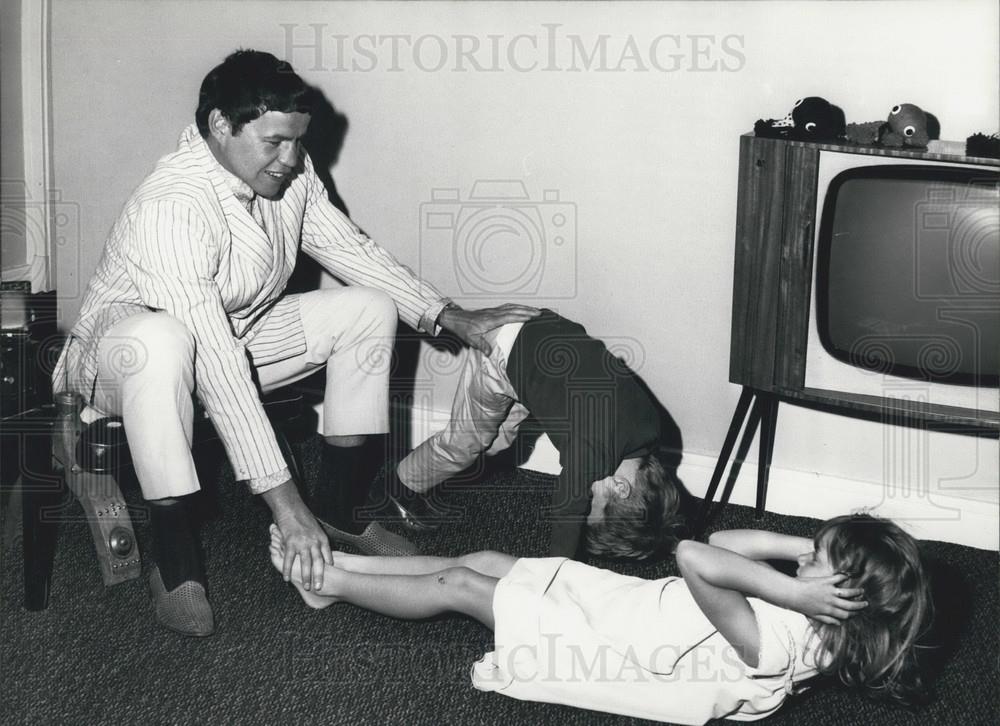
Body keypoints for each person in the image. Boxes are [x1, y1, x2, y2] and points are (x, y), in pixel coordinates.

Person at [51, 49, 537, 636]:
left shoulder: (289, 170)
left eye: (298, 142)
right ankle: (174, 557)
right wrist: (285, 505)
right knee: (163, 341)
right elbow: (219, 369)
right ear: (220, 126)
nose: (291, 159)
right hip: (123, 359)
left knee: (368, 308)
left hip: (233, 333)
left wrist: (448, 315)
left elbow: (351, 251)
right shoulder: (171, 205)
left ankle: (342, 513)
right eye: (275, 142)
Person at [269, 512, 932, 724]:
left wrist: (789, 591)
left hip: (614, 644)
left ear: (842, 594)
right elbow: (729, 548)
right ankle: (349, 574)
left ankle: (328, 582)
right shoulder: (810, 618)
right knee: (490, 558)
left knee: (461, 584)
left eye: (820, 557)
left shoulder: (779, 644)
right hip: (634, 610)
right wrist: (799, 552)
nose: (805, 554)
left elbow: (696, 556)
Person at [384, 309, 684, 559]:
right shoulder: (594, 450)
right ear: (620, 487)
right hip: (503, 349)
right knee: (465, 446)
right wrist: (557, 571)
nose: (587, 499)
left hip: (546, 335)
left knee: (499, 439)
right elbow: (566, 508)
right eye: (593, 505)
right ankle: (398, 487)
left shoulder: (651, 430)